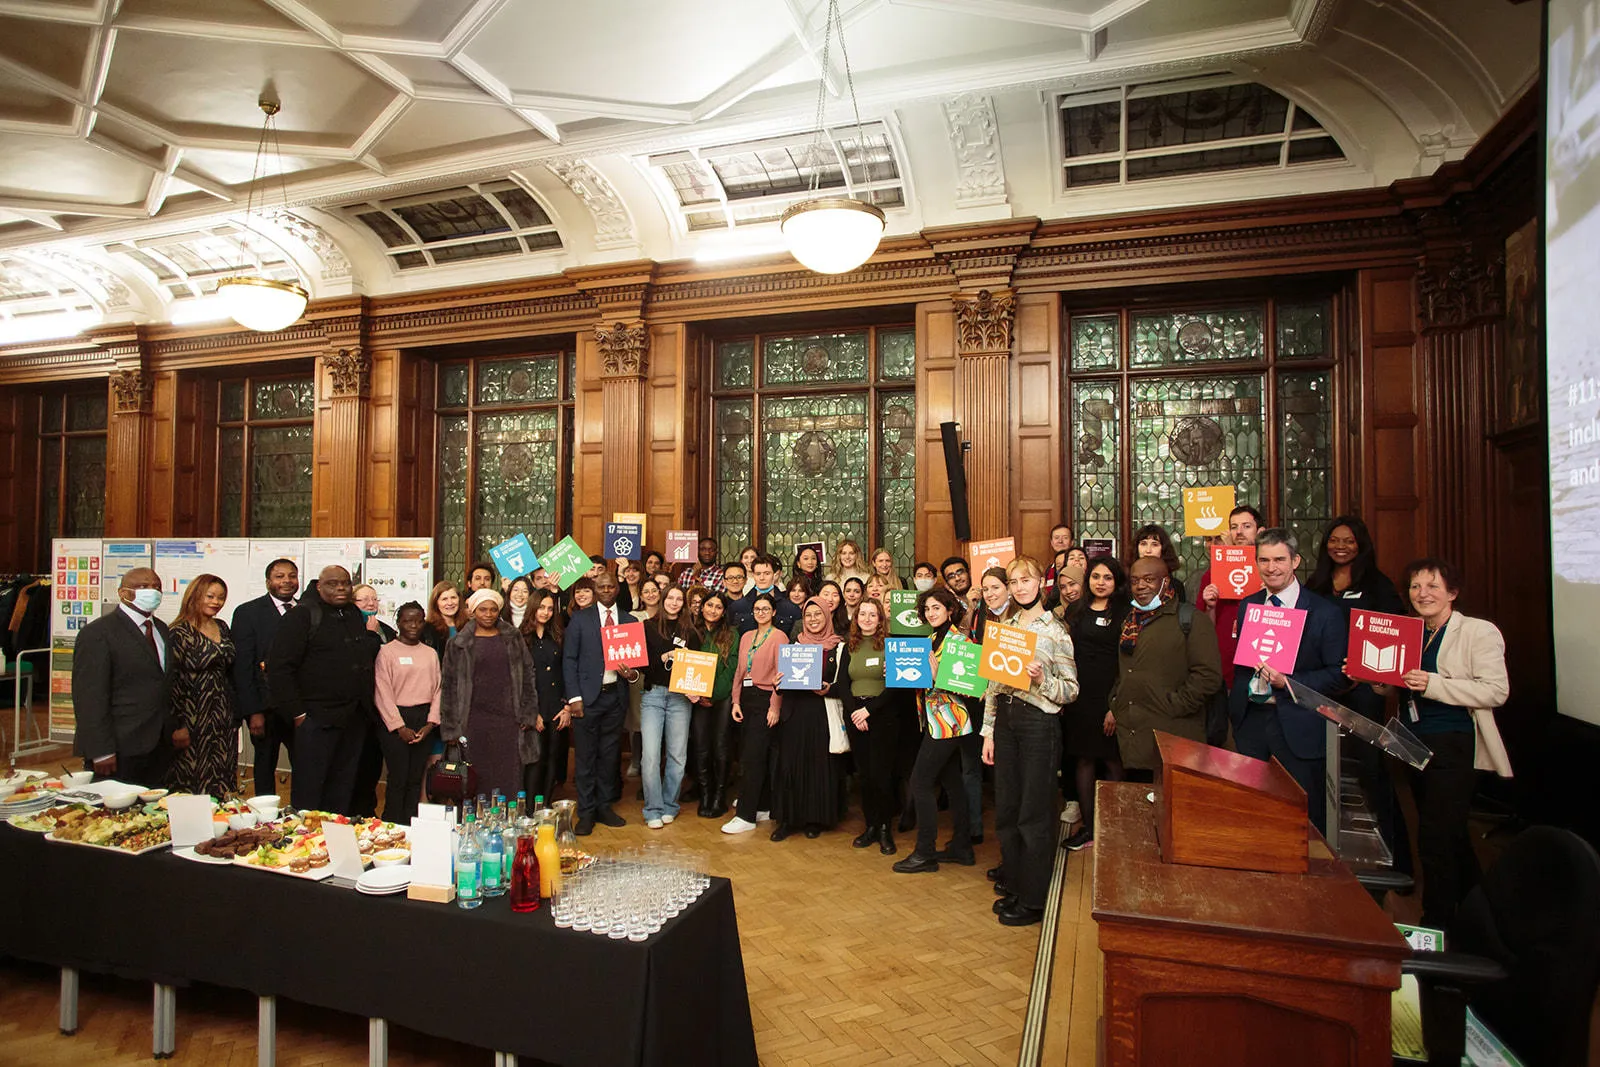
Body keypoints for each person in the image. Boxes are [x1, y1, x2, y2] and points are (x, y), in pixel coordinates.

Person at [1373, 559, 1510, 928]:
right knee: (1450, 837)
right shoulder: (1412, 631)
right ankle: (1480, 917)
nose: (1423, 594)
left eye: (1433, 586)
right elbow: (1398, 682)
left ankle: (1437, 929)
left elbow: (1496, 691)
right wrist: (1373, 677)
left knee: (1436, 842)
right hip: (1412, 742)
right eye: (1416, 587)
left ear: (1453, 592)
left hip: (1454, 744)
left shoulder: (1478, 632)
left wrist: (1433, 683)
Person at [1226, 529, 1347, 834]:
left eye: (1279, 559)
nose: (1271, 567)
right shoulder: (1248, 605)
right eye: (1264, 560)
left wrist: (1287, 682)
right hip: (1251, 722)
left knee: (1300, 817)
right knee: (1252, 813)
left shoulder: (1325, 613)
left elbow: (1337, 674)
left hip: (1298, 724)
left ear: (1296, 561)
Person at [1307, 515, 1409, 870]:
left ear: (1361, 544)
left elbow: (1395, 631)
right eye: (1334, 540)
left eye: (1348, 541)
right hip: (1324, 687)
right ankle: (1322, 850)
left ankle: (1398, 858)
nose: (1340, 546)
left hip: (1364, 688)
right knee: (1320, 766)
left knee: (1371, 768)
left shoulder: (1377, 584)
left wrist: (1368, 676)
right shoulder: (1317, 583)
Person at [981, 557, 1079, 927]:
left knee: (1033, 811)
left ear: (1041, 582)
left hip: (1039, 724)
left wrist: (1041, 681)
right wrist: (988, 731)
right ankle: (1016, 882)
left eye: (1026, 580)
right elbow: (992, 685)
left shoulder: (1055, 630)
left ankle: (1034, 898)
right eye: (1014, 581)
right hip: (1006, 721)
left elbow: (1070, 690)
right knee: (1006, 807)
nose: (1020, 586)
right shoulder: (1004, 627)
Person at [268, 566, 378, 815]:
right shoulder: (303, 615)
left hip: (353, 719)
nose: (340, 588)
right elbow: (279, 668)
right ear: (319, 586)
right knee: (311, 793)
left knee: (343, 789)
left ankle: (334, 843)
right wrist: (297, 714)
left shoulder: (352, 613)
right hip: (316, 720)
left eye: (345, 583)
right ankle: (305, 844)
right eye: (332, 583)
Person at [1108, 557, 1221, 782]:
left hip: (1175, 733)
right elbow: (1124, 670)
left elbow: (1208, 676)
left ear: (1165, 582)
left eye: (1149, 580)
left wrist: (1175, 704)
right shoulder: (1130, 621)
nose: (1140, 586)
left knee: (1173, 804)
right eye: (1135, 581)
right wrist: (1115, 700)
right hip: (1134, 733)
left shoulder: (1191, 620)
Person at [893, 587, 975, 875]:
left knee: (920, 782)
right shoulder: (928, 640)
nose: (931, 613)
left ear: (950, 610)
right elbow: (924, 680)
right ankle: (962, 847)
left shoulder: (959, 640)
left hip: (950, 722)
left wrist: (940, 677)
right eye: (927, 609)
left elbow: (972, 687)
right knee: (952, 782)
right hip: (933, 720)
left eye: (936, 608)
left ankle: (925, 852)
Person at [72, 568, 177, 785]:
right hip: (120, 745)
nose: (152, 591)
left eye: (157, 586)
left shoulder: (161, 629)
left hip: (159, 744)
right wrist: (100, 750)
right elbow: (90, 697)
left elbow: (163, 685)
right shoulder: (99, 633)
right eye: (143, 587)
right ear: (124, 593)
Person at [441, 589, 540, 800]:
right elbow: (448, 686)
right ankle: (473, 825)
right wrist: (450, 729)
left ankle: (506, 824)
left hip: (509, 720)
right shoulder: (458, 643)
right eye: (483, 609)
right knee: (475, 778)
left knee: (509, 777)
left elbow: (528, 673)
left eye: (493, 610)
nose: (488, 614)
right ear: (473, 611)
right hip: (472, 721)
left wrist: (528, 713)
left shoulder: (513, 638)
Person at [1059, 558, 1130, 850]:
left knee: (1113, 760)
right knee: (1083, 759)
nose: (1101, 582)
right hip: (1080, 697)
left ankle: (1118, 829)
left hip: (1111, 696)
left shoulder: (1125, 614)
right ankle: (1089, 829)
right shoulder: (1075, 611)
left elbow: (1129, 665)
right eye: (1096, 576)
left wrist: (1115, 705)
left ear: (1117, 583)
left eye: (1108, 578)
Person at [562, 571, 634, 835]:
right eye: (601, 586)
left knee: (609, 757)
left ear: (617, 589)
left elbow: (636, 668)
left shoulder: (628, 620)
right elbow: (569, 660)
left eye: (610, 586)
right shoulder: (580, 620)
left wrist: (631, 674)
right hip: (586, 700)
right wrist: (574, 698)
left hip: (615, 697)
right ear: (595, 588)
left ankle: (605, 807)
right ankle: (587, 812)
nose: (606, 590)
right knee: (585, 758)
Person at [770, 598, 849, 841]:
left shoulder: (839, 648)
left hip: (822, 714)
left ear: (828, 616)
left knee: (818, 768)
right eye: (809, 615)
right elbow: (785, 681)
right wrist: (778, 686)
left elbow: (846, 686)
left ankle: (815, 818)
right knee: (790, 766)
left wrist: (829, 689)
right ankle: (788, 820)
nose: (813, 619)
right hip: (794, 714)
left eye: (818, 614)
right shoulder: (795, 645)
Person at [1196, 505, 1264, 746]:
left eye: (1246, 526)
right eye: (1234, 527)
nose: (1239, 532)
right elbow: (1203, 628)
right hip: (1222, 671)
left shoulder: (1269, 571)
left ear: (1260, 531)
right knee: (1222, 742)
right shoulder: (1212, 574)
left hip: (1262, 672)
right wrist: (1210, 605)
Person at [164, 574, 237, 797]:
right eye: (210, 596)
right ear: (195, 595)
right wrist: (178, 725)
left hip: (222, 716)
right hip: (192, 716)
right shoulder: (178, 632)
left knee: (223, 774)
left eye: (221, 598)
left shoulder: (222, 626)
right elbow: (172, 682)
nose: (216, 602)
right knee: (192, 776)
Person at [231, 557, 299, 797]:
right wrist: (253, 712)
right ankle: (265, 819)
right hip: (264, 708)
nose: (287, 581)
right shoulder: (248, 613)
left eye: (292, 576)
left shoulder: (305, 611)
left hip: (298, 709)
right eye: (280, 576)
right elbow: (243, 666)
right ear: (268, 581)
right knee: (264, 766)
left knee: (303, 765)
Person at [721, 593, 788, 834]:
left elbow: (782, 676)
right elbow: (740, 669)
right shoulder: (747, 636)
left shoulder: (780, 637)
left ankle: (746, 816)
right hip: (746, 700)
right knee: (752, 754)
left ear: (773, 613)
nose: (761, 612)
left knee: (753, 758)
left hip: (765, 699)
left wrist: (775, 706)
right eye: (757, 609)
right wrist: (736, 701)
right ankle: (762, 806)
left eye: (765, 609)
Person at [845, 598, 903, 855]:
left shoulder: (891, 646)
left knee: (883, 776)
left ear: (880, 619)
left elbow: (896, 686)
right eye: (863, 614)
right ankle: (869, 826)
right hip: (856, 716)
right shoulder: (848, 646)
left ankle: (884, 829)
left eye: (873, 615)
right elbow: (841, 684)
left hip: (882, 715)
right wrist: (856, 713)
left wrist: (869, 711)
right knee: (865, 776)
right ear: (856, 618)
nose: (867, 619)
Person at [374, 602, 440, 823]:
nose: (414, 625)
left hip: (423, 720)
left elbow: (439, 689)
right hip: (396, 721)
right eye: (408, 620)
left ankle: (410, 827)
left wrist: (430, 723)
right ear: (398, 622)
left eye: (419, 620)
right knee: (398, 778)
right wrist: (399, 727)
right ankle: (392, 825)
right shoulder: (386, 652)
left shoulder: (430, 653)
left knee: (415, 778)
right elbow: (382, 691)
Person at [637, 585, 696, 828]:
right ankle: (652, 809)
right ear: (662, 600)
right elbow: (640, 665)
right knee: (650, 756)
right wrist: (660, 660)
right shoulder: (647, 626)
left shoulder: (691, 631)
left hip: (681, 698)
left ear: (684, 603)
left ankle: (670, 805)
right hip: (653, 695)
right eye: (670, 597)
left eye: (678, 599)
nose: (673, 602)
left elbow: (697, 666)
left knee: (677, 755)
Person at [695, 592, 739, 818]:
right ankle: (705, 794)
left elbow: (732, 668)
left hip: (722, 698)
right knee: (701, 747)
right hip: (695, 697)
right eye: (709, 605)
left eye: (718, 607)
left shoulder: (732, 634)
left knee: (721, 747)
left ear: (724, 612)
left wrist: (712, 694)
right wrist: (699, 694)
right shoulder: (693, 631)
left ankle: (719, 797)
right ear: (702, 607)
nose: (713, 610)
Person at [1131, 523, 1186, 602]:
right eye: (1143, 544)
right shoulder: (1127, 584)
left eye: (1154, 544)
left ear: (1163, 549)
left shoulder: (1175, 586)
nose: (1148, 550)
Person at [422, 581, 465, 659]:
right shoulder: (427, 630)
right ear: (436, 603)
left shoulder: (468, 625)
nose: (450, 603)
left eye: (453, 598)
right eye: (444, 599)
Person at [1041, 524, 1075, 592]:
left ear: (1072, 542)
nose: (1060, 541)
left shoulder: (1076, 565)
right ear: (1052, 543)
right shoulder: (1050, 568)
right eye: (1056, 538)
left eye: (1065, 538)